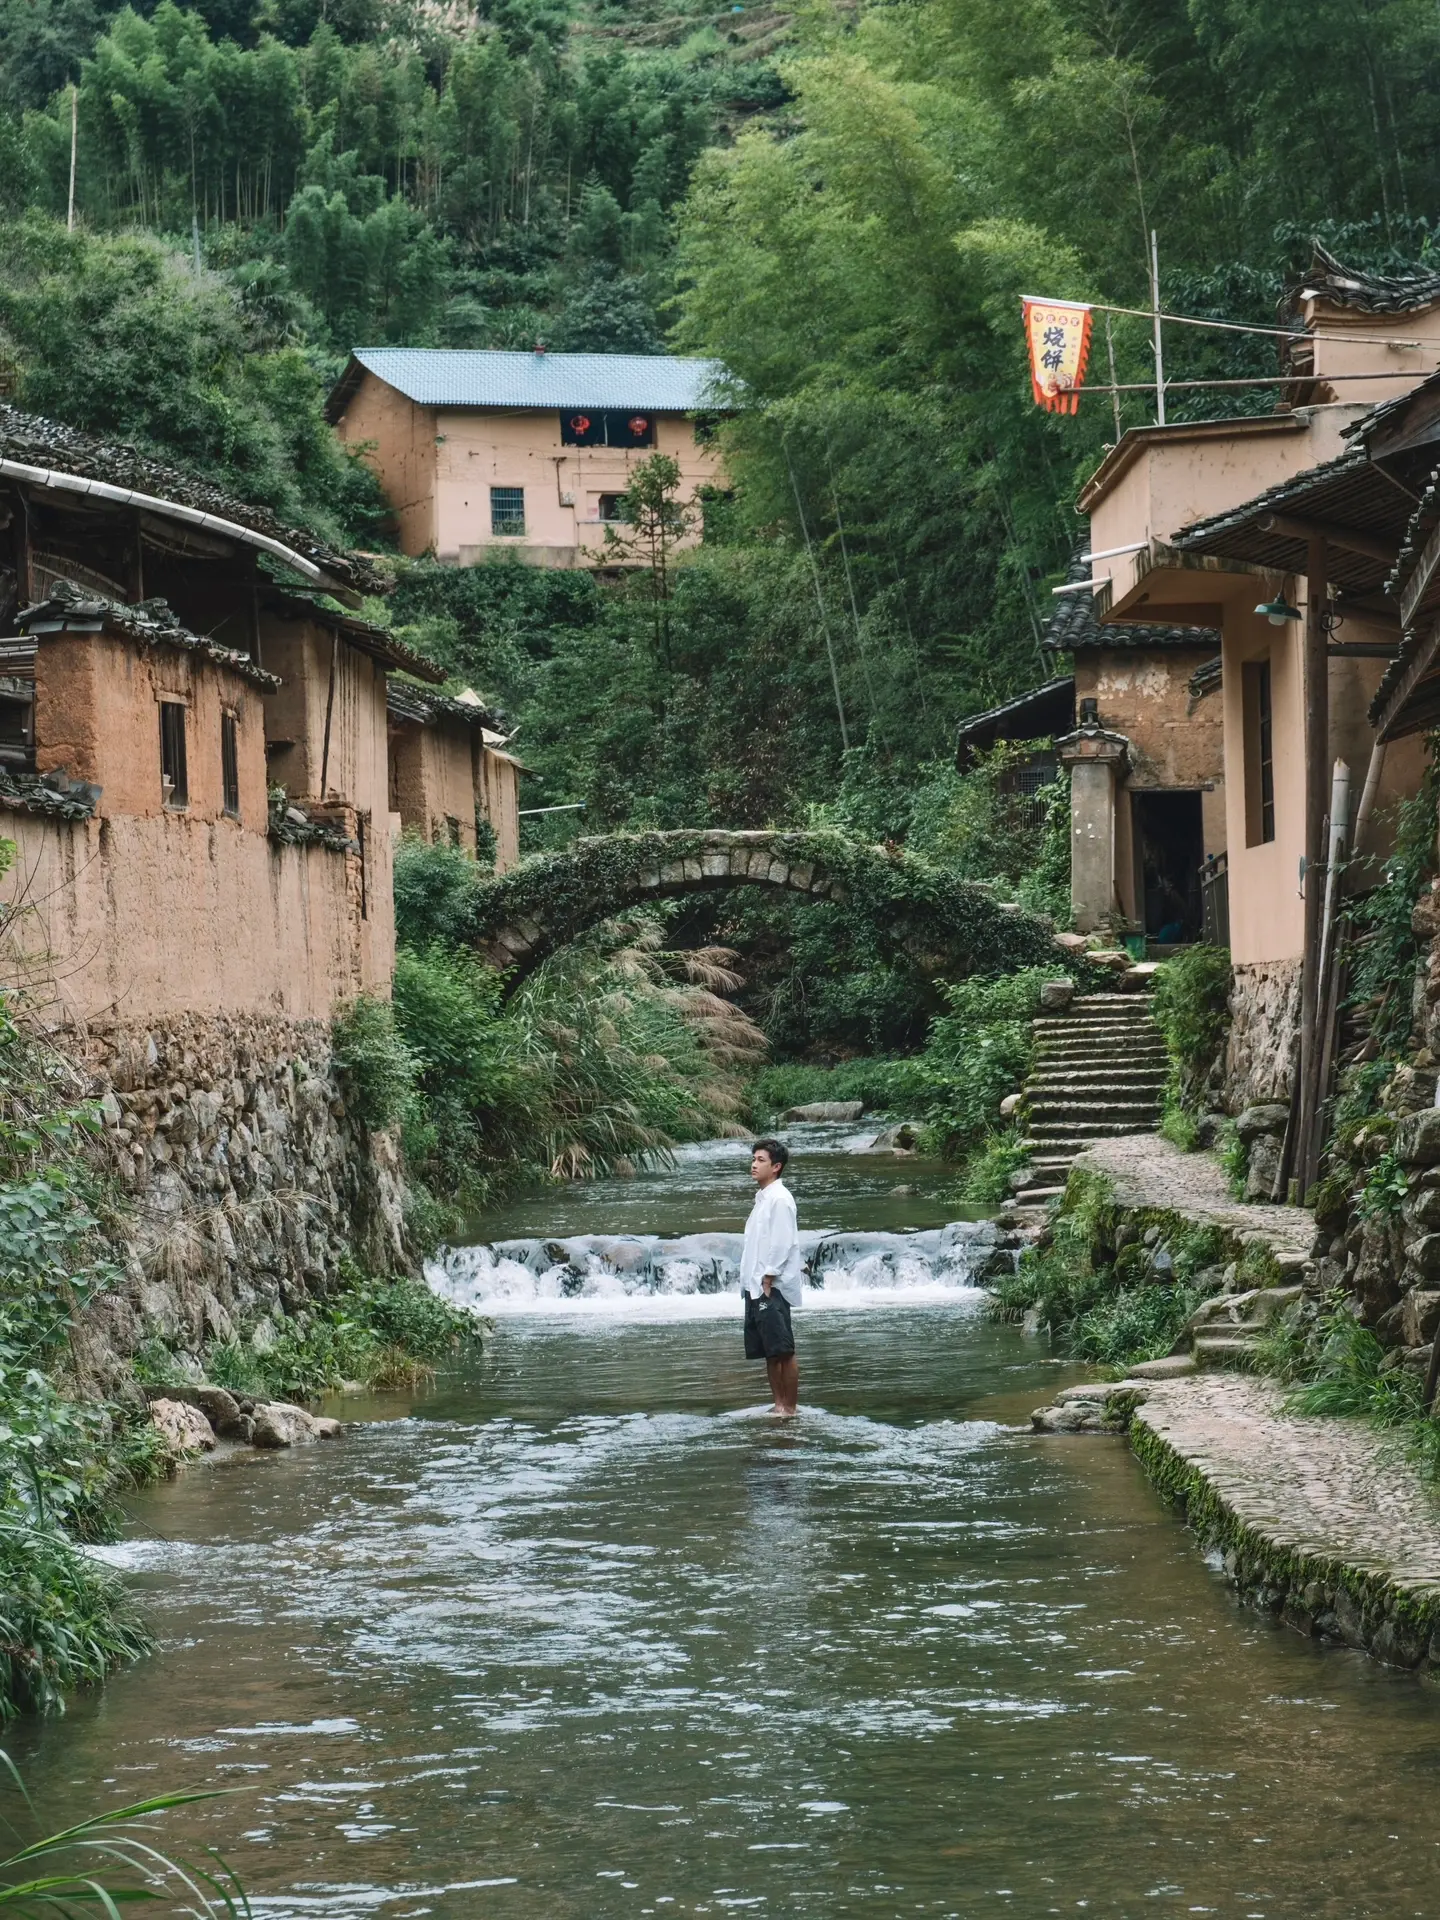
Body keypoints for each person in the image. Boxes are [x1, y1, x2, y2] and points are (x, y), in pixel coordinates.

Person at [740, 1137, 802, 1415]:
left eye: (760, 1160)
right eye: (753, 1159)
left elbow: (782, 1241)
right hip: (755, 1285)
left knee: (783, 1350)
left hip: (771, 1285)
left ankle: (789, 1408)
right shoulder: (763, 1198)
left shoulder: (779, 1199)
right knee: (769, 1350)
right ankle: (778, 1406)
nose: (754, 1164)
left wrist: (768, 1277)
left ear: (776, 1167)